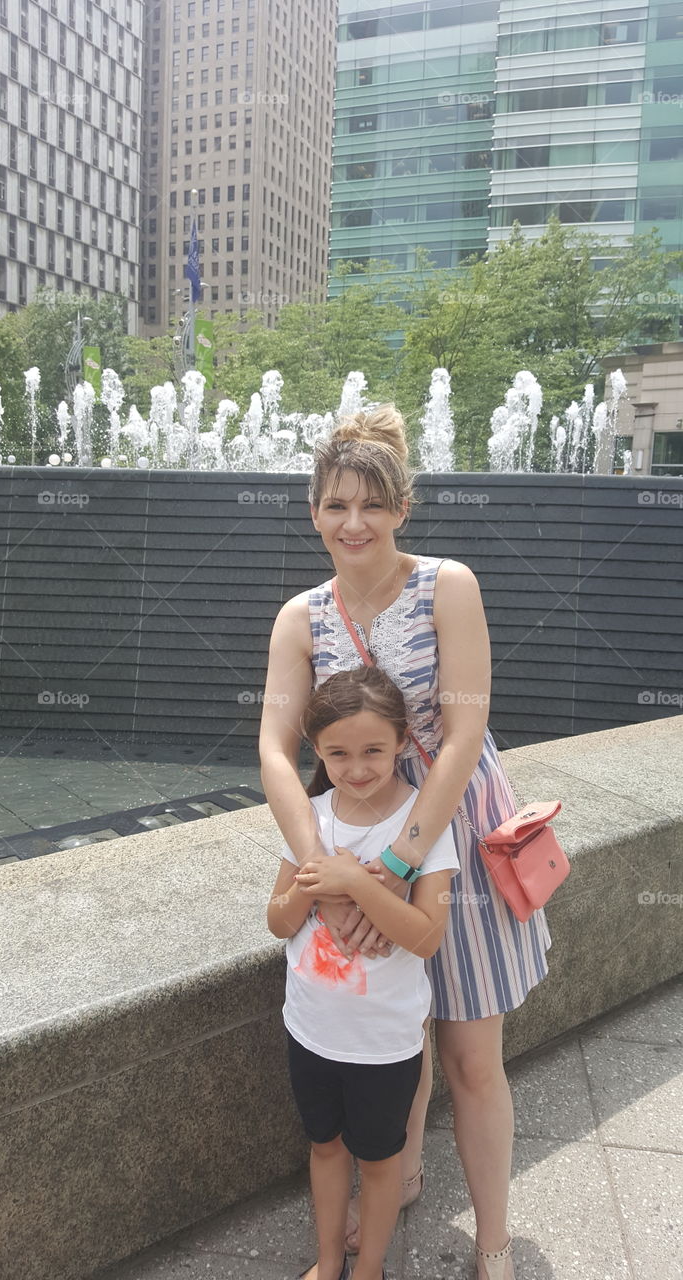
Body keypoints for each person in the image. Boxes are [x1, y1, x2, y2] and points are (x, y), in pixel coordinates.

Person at [259, 405, 552, 1280]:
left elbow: (463, 734)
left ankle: (493, 1243)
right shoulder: (301, 617)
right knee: (395, 1029)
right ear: (312, 511)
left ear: (401, 509)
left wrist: (389, 864)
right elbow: (274, 750)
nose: (354, 524)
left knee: (468, 1051)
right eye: (335, 505)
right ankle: (406, 1169)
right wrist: (328, 869)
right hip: (349, 827)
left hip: (449, 822)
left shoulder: (446, 585)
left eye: (371, 505)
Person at [267, 665, 459, 1280]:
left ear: (403, 740)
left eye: (374, 749)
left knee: (379, 1163)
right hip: (311, 1029)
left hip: (384, 1043)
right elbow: (277, 921)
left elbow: (427, 937)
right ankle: (329, 1263)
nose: (357, 768)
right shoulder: (311, 819)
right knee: (324, 1149)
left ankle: (369, 1268)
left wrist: (357, 884)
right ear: (317, 751)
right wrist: (312, 885)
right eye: (338, 753)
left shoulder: (423, 829)